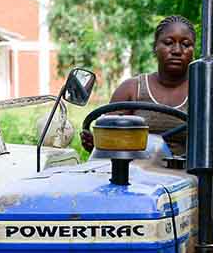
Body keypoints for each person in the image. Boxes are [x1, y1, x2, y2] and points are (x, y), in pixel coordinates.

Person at [81, 15, 195, 157]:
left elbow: (212, 151)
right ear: (155, 47)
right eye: (168, 42)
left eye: (185, 44)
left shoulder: (204, 94)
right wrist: (96, 143)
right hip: (136, 174)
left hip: (189, 175)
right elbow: (109, 142)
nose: (177, 50)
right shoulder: (131, 89)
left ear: (193, 50)